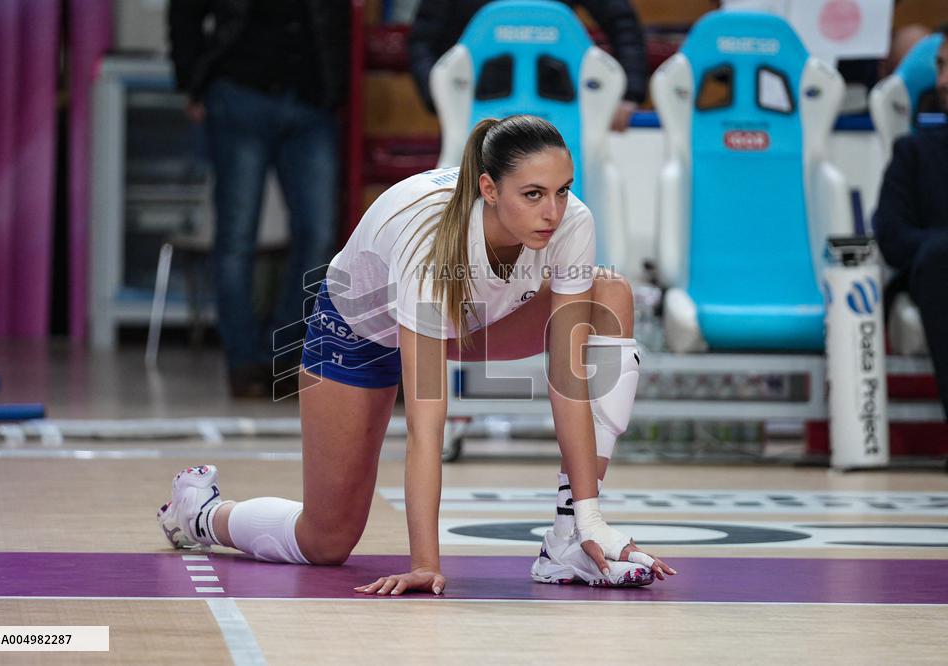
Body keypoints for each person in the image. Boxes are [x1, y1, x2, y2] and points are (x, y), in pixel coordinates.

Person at [157, 115, 676, 593]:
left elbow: (569, 380)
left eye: (562, 191)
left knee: (610, 294)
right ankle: (200, 512)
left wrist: (591, 519)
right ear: (489, 189)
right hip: (357, 334)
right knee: (326, 542)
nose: (553, 211)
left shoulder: (571, 222)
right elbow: (427, 426)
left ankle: (568, 540)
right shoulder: (430, 244)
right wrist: (425, 563)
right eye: (534, 194)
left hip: (469, 323)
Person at [168, 1, 348, 398]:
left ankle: (280, 355)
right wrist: (192, 81)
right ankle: (244, 361)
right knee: (236, 237)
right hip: (239, 91)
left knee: (319, 237)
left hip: (311, 98)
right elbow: (184, 11)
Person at [408, 0, 649, 132]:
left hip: (559, 117)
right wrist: (441, 99)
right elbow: (422, 42)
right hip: (476, 116)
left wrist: (628, 95)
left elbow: (623, 24)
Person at [873, 26, 948, 420]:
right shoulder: (913, 153)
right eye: (940, 67)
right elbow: (891, 237)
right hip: (936, 277)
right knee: (939, 257)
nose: (943, 81)